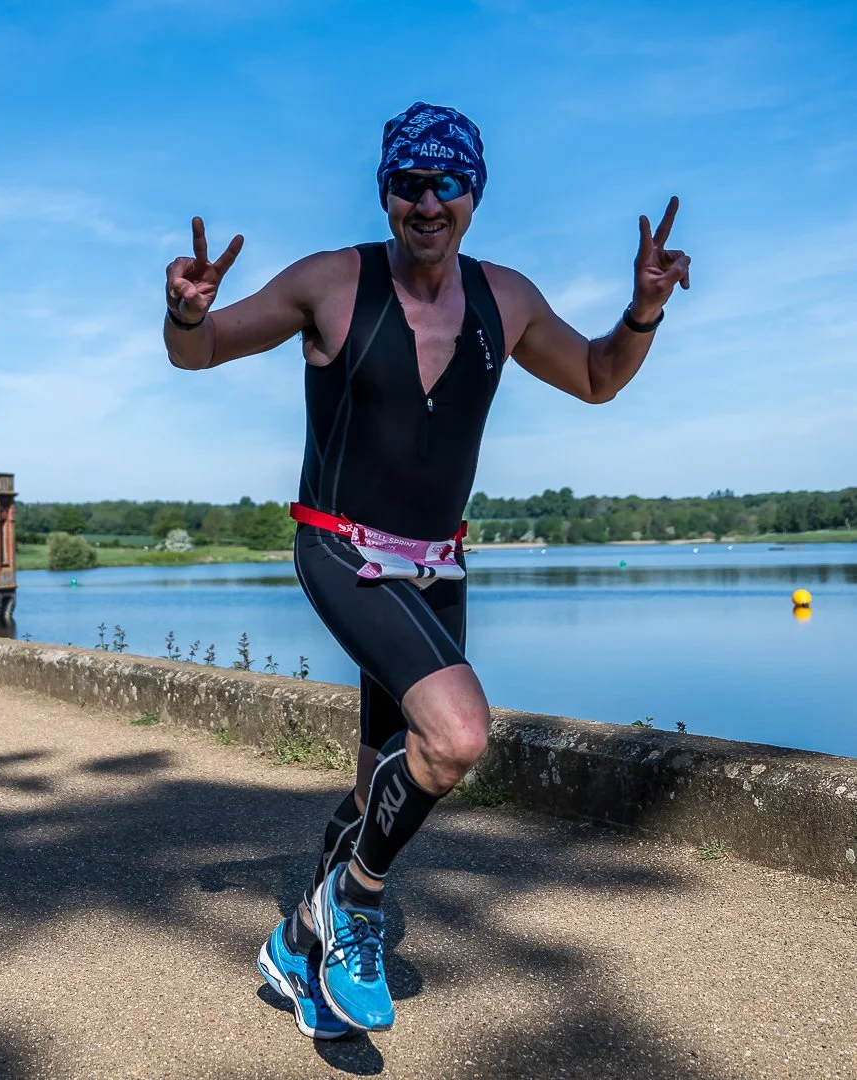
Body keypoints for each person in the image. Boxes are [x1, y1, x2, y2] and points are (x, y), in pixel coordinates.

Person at [163, 102, 689, 1040]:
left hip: (438, 567)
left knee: (382, 786)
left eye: (448, 183)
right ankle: (353, 906)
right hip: (338, 545)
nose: (428, 201)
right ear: (385, 192)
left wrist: (643, 307)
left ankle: (296, 946)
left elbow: (601, 376)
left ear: (475, 195)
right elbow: (199, 354)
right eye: (410, 182)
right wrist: (184, 311)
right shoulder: (330, 281)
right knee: (456, 734)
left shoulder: (508, 298)